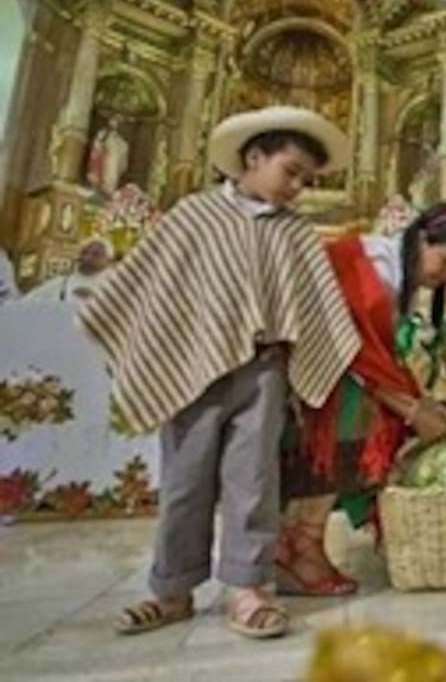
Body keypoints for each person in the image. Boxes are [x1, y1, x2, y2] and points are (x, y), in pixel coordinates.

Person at [77, 106, 360, 639]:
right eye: (291, 171)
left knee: (253, 479)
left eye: (306, 179)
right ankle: (171, 590)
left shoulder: (295, 232)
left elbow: (314, 306)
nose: (297, 187)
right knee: (185, 480)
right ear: (253, 158)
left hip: (264, 369)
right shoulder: (194, 215)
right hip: (193, 365)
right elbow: (151, 281)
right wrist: (104, 308)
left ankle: (248, 588)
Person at [276, 202, 446, 595]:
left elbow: (377, 356)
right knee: (359, 418)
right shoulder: (368, 265)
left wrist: (418, 403)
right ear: (422, 239)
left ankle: (298, 541)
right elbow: (350, 353)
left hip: (337, 378)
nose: (445, 275)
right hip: (318, 381)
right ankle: (301, 543)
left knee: (373, 413)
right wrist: (410, 409)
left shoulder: (391, 275)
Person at [23, 237, 113, 303]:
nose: (87, 257)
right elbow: (27, 302)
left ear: (108, 260)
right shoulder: (61, 282)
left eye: (95, 254)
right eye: (84, 252)